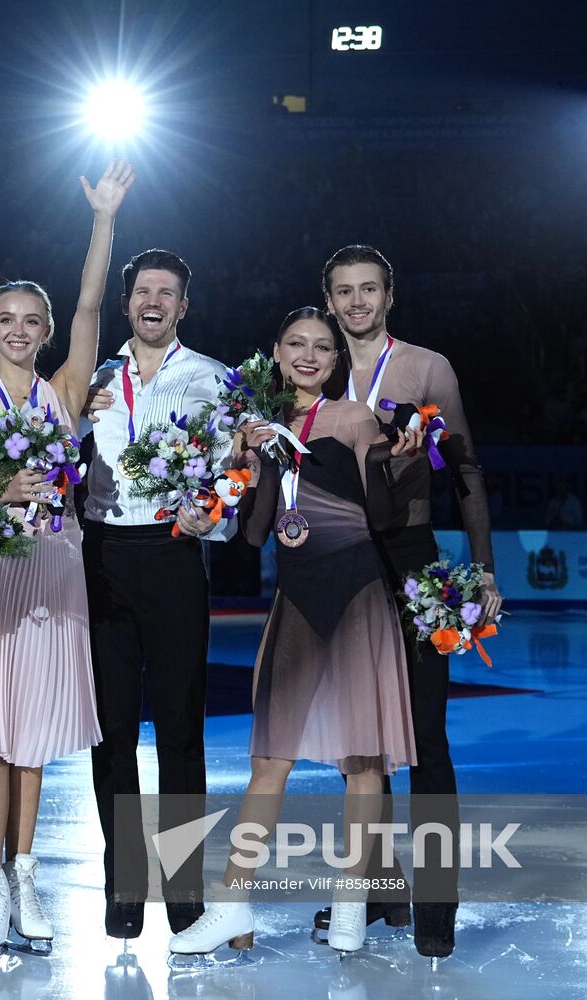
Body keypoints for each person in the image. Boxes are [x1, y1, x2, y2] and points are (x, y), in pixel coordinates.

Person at [167, 307, 421, 959]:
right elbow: (253, 536)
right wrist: (245, 460)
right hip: (297, 600)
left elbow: (387, 517)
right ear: (276, 353)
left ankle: (349, 904)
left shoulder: (355, 421)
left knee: (362, 761)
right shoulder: (263, 431)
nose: (309, 355)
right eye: (296, 344)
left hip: (360, 594)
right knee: (268, 760)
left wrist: (407, 465)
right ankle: (231, 905)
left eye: (322, 348)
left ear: (337, 363)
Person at [0, 161, 133, 957]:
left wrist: (104, 220)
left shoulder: (63, 389)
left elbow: (92, 301)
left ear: (45, 331)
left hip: (55, 573)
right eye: (7, 320)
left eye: (33, 320)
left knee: (36, 738)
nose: (21, 330)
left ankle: (24, 875)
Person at [318, 244, 503, 958]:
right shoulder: (316, 370)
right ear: (328, 299)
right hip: (338, 568)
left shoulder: (429, 368)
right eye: (344, 291)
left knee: (426, 739)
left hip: (413, 563)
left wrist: (482, 568)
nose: (357, 302)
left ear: (389, 295)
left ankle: (435, 910)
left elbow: (466, 471)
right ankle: (378, 892)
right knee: (361, 749)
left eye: (368, 289)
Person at [79, 247, 237, 939]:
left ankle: (183, 885)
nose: (154, 301)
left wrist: (216, 515)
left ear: (183, 306)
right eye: (143, 290)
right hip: (103, 555)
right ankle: (125, 883)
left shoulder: (213, 379)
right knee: (111, 732)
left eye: (167, 292)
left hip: (174, 556)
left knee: (180, 730)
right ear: (125, 304)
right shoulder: (89, 377)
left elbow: (235, 472)